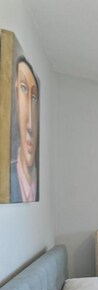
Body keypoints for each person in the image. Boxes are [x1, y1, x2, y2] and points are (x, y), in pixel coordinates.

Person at [10, 56, 39, 203]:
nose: (30, 127)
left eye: (34, 99)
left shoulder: (37, 183)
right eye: (23, 88)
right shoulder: (9, 179)